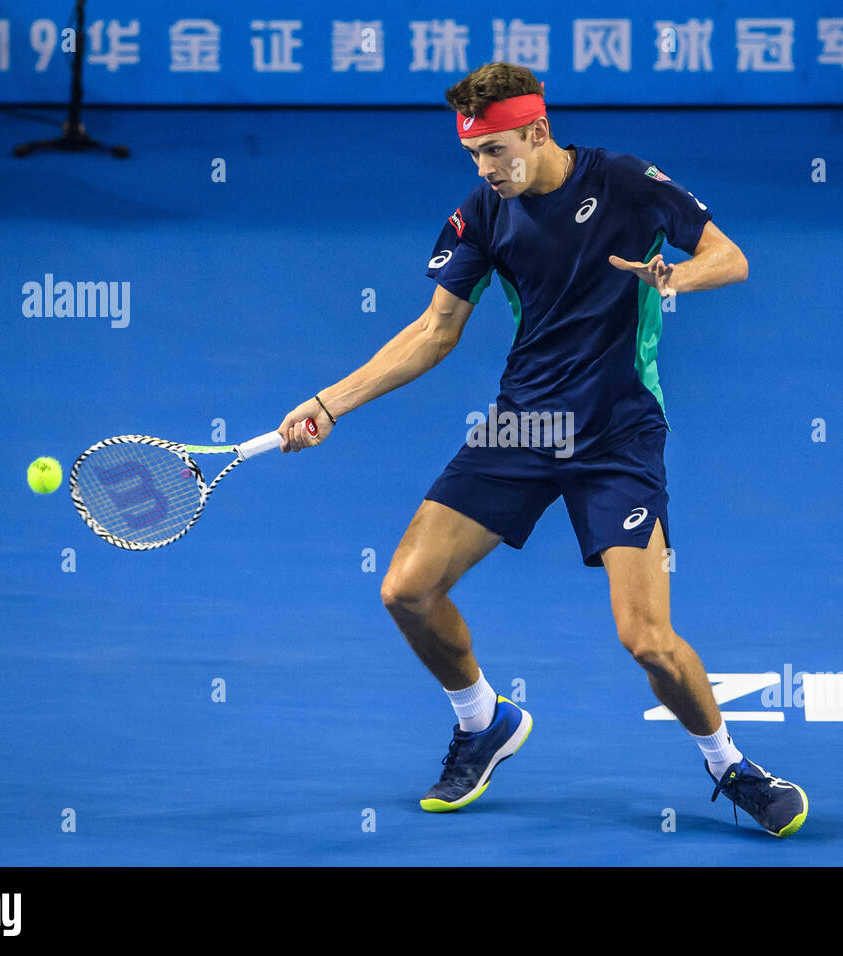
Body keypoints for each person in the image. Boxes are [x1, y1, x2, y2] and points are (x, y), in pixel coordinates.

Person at [277, 62, 807, 837]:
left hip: (619, 431)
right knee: (406, 590)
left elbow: (732, 256)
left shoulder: (625, 183)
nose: (484, 170)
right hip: (524, 427)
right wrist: (330, 404)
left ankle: (730, 765)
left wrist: (675, 277)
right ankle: (482, 719)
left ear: (537, 131)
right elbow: (435, 330)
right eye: (473, 156)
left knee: (647, 642)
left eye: (495, 152)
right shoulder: (483, 214)